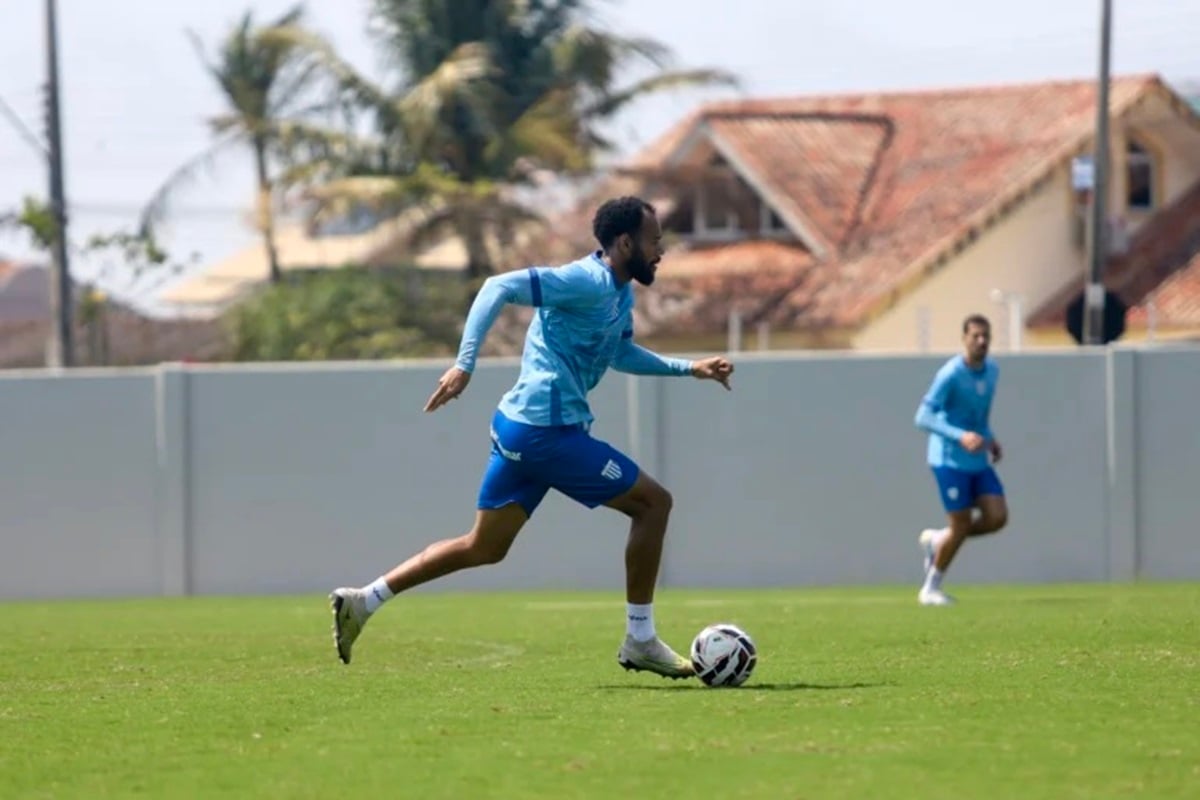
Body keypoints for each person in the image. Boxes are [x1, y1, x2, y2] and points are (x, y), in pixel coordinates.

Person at [328, 196, 735, 677]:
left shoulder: (620, 294)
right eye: (654, 241)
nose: (660, 251)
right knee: (653, 504)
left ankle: (364, 600)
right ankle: (640, 638)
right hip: (546, 432)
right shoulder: (583, 281)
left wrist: (690, 369)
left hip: (521, 428)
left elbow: (619, 355)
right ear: (625, 242)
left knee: (484, 547)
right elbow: (497, 285)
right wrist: (465, 361)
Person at [912, 313, 1009, 606]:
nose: (981, 342)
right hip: (948, 460)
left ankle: (939, 540)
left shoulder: (992, 371)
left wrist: (989, 439)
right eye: (975, 336)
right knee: (962, 523)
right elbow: (923, 417)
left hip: (977, 460)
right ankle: (930, 589)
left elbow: (978, 416)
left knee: (996, 518)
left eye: (986, 336)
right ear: (964, 339)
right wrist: (959, 436)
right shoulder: (951, 374)